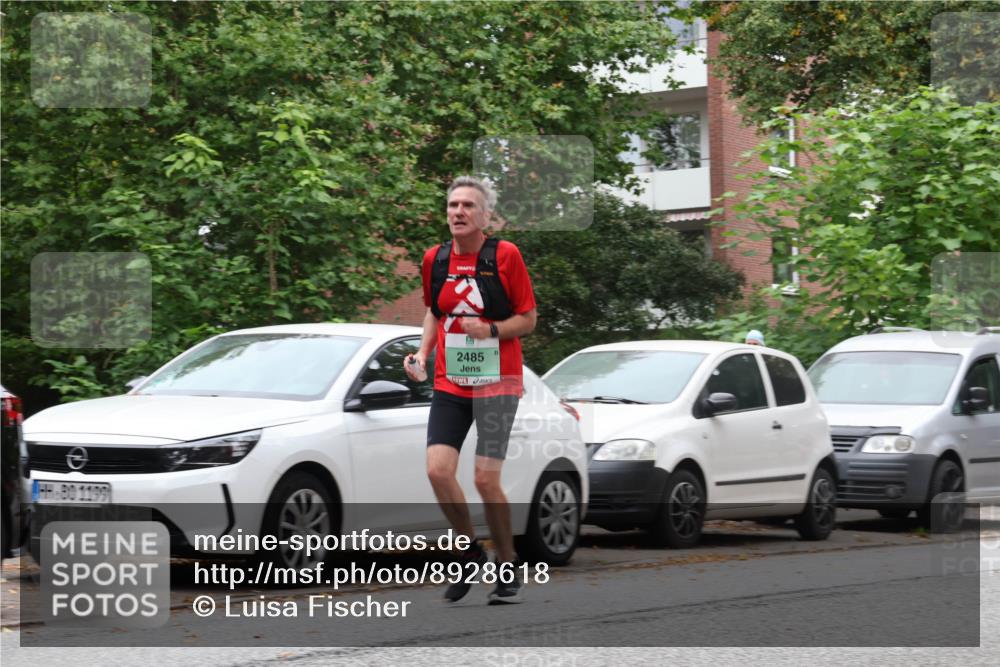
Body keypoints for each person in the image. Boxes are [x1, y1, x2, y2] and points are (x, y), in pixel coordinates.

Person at [404, 175, 537, 605]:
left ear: (485, 216)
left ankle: (508, 559)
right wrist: (422, 354)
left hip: (499, 381)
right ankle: (469, 550)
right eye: (452, 205)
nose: (458, 212)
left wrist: (492, 329)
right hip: (451, 381)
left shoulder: (505, 256)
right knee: (437, 471)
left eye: (467, 206)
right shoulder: (434, 259)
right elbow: (433, 311)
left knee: (484, 479)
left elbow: (529, 319)